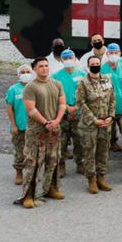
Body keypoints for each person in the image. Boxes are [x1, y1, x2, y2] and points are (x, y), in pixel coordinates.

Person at [17, 57, 66, 209]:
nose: (44, 68)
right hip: (37, 131)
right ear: (35, 69)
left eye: (46, 65)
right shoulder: (30, 87)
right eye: (41, 66)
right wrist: (45, 122)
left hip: (54, 129)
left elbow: (62, 104)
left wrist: (57, 121)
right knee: (33, 163)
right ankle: (28, 195)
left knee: (53, 160)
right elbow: (31, 110)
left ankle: (51, 188)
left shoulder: (56, 84)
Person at [75, 55, 115, 194]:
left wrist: (111, 115)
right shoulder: (83, 82)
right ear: (88, 66)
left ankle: (101, 178)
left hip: (105, 122)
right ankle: (91, 179)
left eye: (97, 63)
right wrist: (94, 120)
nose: (95, 65)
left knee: (103, 151)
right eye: (93, 63)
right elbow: (81, 103)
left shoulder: (106, 79)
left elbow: (112, 98)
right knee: (89, 152)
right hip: (89, 125)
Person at [52, 49, 85, 177]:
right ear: (61, 60)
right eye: (65, 58)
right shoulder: (55, 77)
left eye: (70, 57)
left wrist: (76, 107)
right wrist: (66, 108)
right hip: (63, 114)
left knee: (79, 140)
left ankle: (80, 163)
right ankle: (61, 165)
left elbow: (86, 94)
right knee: (61, 141)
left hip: (78, 112)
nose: (68, 60)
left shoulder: (82, 75)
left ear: (75, 58)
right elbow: (54, 96)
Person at [101, 44, 122, 152]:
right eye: (111, 53)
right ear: (107, 54)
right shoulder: (102, 69)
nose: (113, 55)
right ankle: (112, 143)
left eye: (116, 53)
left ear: (120, 54)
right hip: (107, 107)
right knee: (108, 132)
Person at [5, 64, 32, 185]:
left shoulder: (34, 87)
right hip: (19, 126)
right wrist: (13, 125)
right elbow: (9, 108)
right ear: (19, 75)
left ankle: (31, 174)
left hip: (33, 127)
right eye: (23, 72)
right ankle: (19, 172)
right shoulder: (13, 89)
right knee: (19, 151)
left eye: (28, 71)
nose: (26, 74)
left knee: (33, 152)